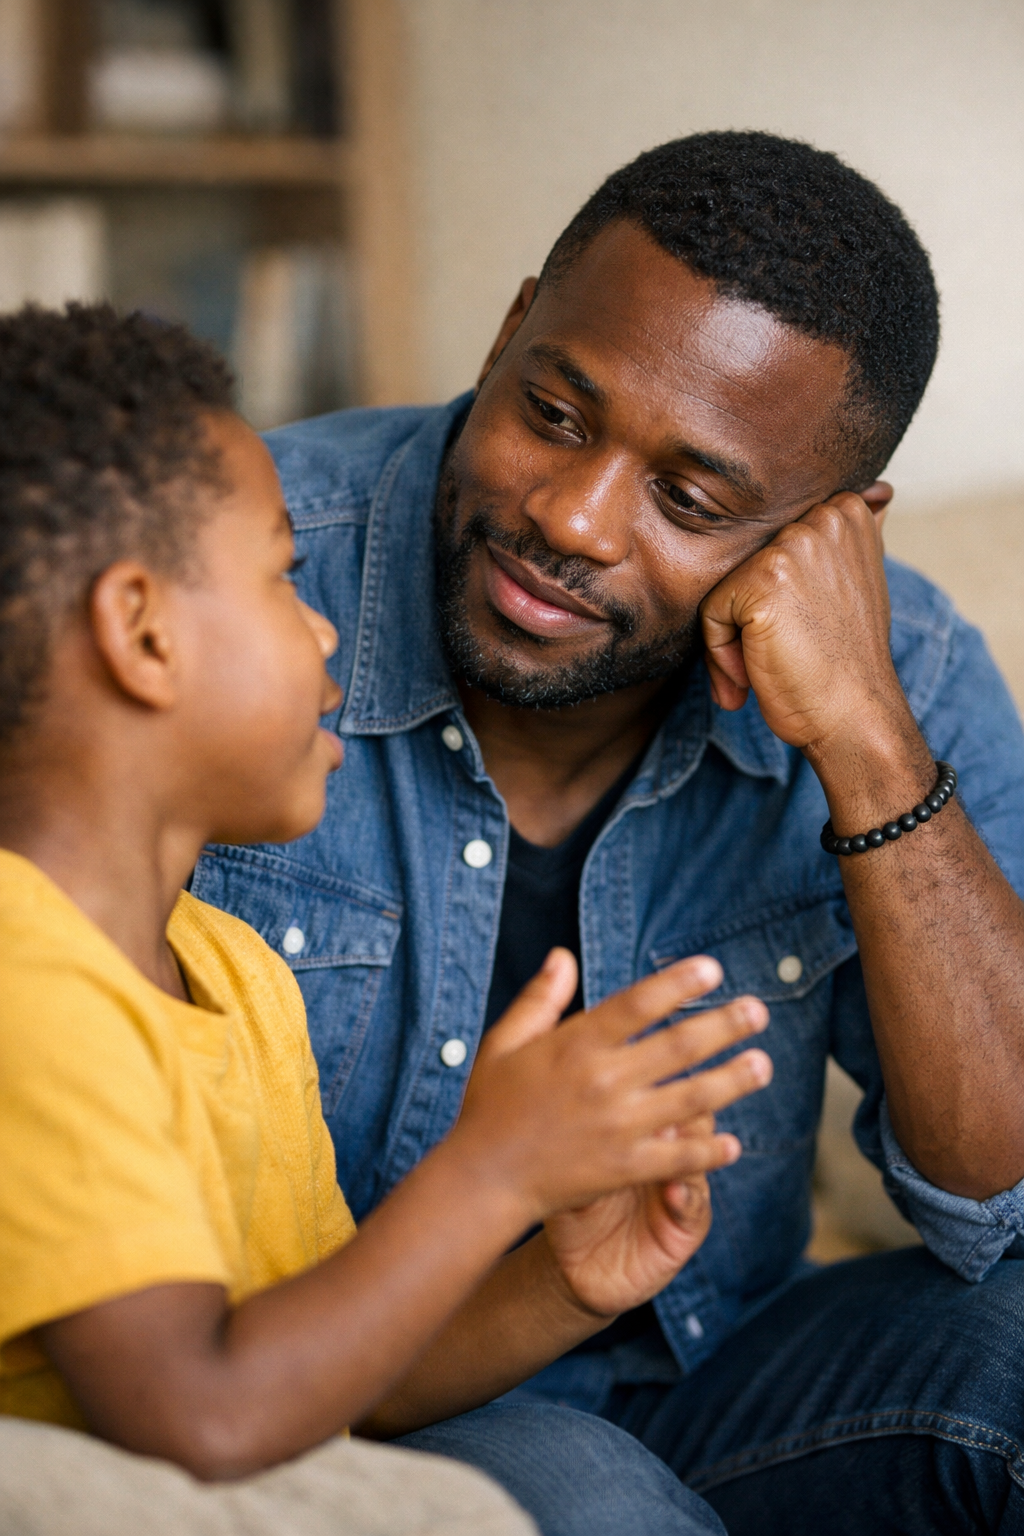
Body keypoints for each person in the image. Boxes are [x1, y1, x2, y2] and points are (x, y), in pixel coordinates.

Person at [195, 132, 1024, 1535]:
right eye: (556, 412)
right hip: (337, 1406)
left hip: (710, 1377)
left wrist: (871, 749)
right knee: (587, 1502)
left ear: (826, 532)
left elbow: (989, 1198)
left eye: (689, 502)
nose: (569, 519)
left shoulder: (908, 676)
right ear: (515, 325)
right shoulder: (240, 577)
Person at [0, 302, 777, 1536]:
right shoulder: (25, 984)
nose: (321, 632)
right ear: (141, 631)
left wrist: (560, 1284)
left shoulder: (230, 969)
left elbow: (332, 1381)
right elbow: (200, 1421)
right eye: (276, 577)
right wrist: (491, 1166)